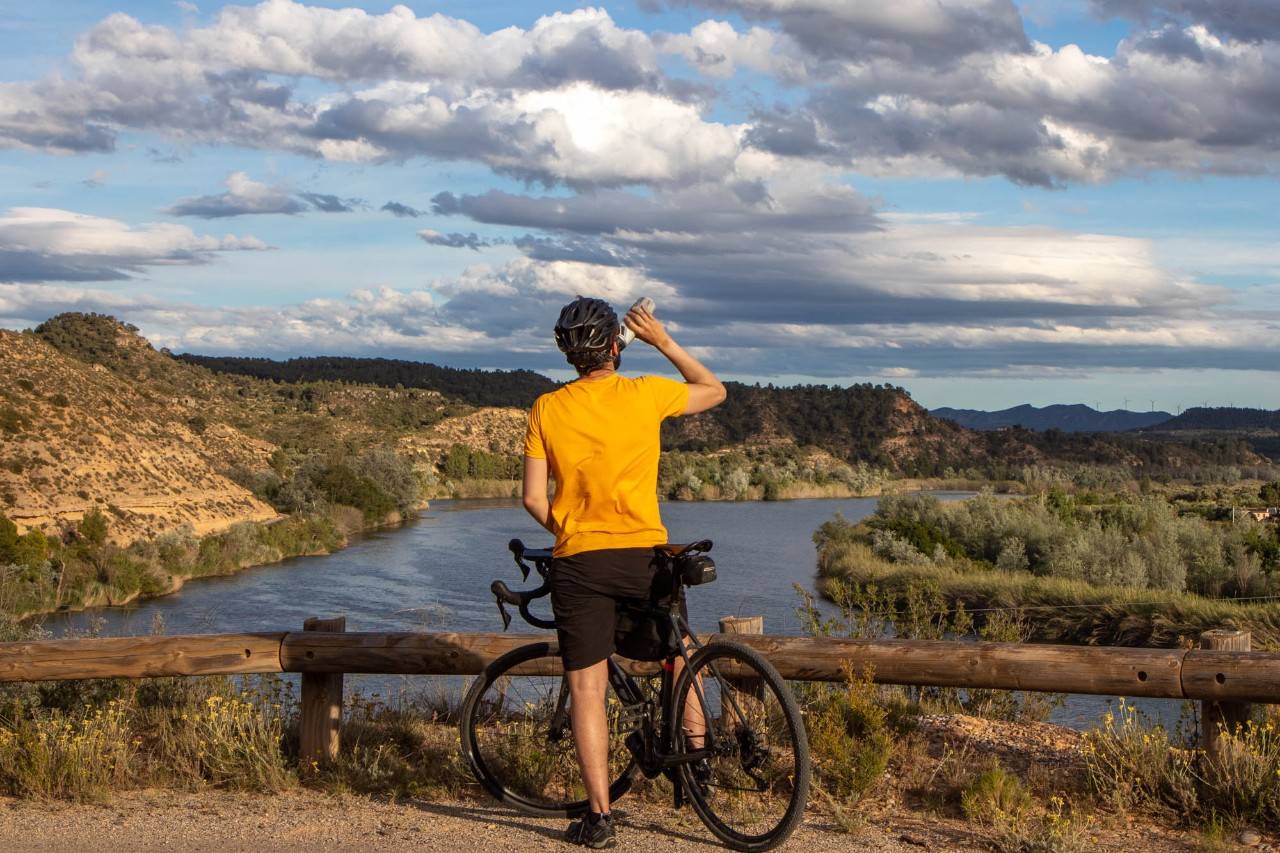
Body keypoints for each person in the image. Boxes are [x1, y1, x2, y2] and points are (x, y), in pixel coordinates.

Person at [521, 296, 727, 848]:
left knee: (587, 691)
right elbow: (714, 390)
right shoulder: (644, 393)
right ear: (616, 347)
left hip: (580, 561)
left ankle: (600, 819)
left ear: (569, 356)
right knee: (677, 653)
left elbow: (533, 499)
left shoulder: (547, 408)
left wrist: (570, 531)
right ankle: (697, 764)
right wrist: (660, 339)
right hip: (643, 554)